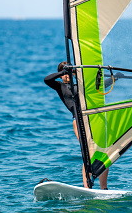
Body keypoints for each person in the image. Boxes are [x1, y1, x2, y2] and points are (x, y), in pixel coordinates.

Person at [44, 61, 109, 189]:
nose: (67, 75)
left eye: (69, 72)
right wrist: (63, 71)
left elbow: (100, 87)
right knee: (88, 153)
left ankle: (104, 188)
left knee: (103, 152)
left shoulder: (80, 85)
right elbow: (47, 79)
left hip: (93, 120)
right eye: (64, 73)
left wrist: (115, 77)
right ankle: (87, 187)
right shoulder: (60, 86)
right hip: (78, 121)